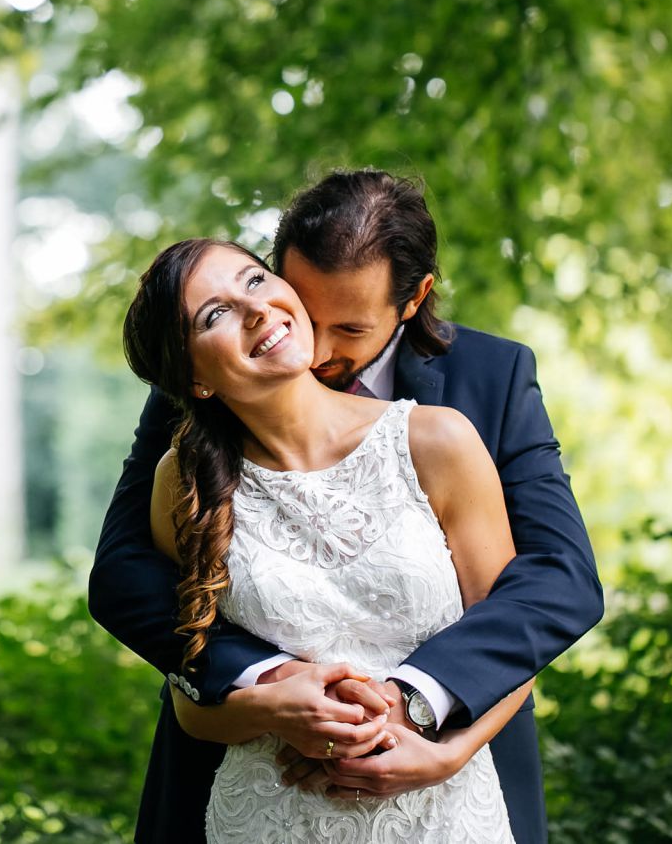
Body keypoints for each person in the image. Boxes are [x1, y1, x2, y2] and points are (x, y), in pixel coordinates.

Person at [90, 170, 603, 843]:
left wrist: (433, 729)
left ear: (412, 299)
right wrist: (268, 686)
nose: (316, 348)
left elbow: (551, 583)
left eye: (350, 327)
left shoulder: (476, 394)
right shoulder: (198, 407)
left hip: (444, 786)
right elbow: (127, 576)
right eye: (302, 301)